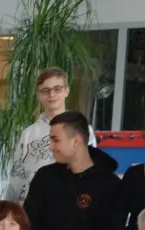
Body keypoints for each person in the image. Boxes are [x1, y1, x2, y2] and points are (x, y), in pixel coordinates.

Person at [6, 67, 89, 204]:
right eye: (46, 90)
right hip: (35, 208)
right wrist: (10, 209)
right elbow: (17, 178)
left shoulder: (83, 130)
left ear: (66, 91)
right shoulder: (28, 134)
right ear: (39, 95)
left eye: (57, 89)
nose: (52, 94)